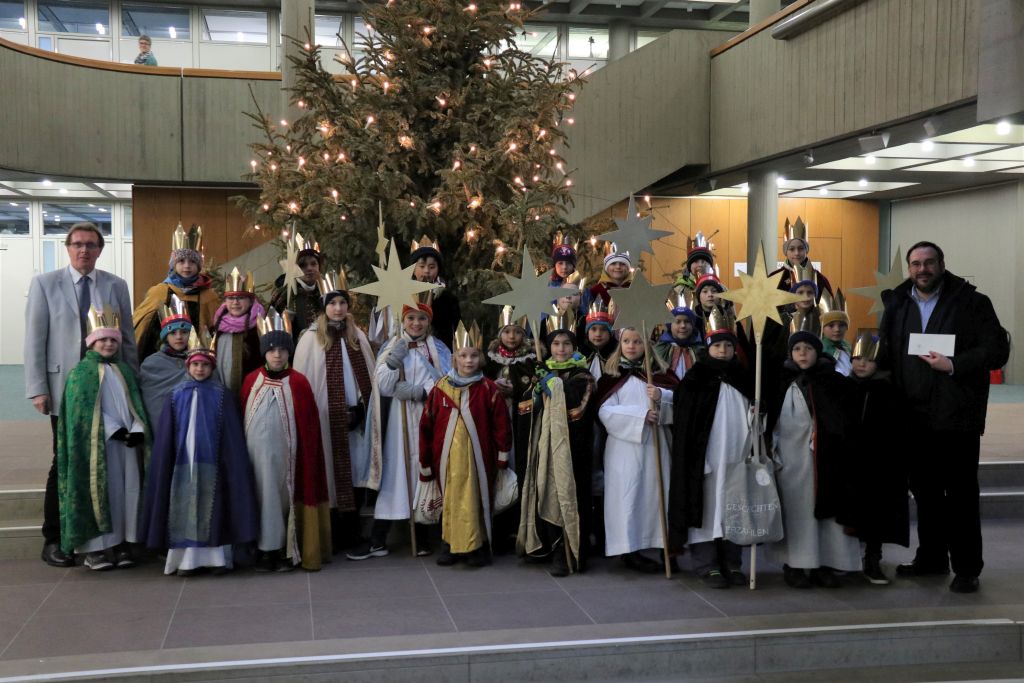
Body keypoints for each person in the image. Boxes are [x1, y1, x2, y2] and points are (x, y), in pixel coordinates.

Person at [879, 241, 1008, 594]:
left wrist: (954, 365)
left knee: (961, 495)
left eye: (929, 262)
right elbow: (887, 352)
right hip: (912, 418)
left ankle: (967, 567)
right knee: (925, 493)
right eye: (916, 263)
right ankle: (932, 559)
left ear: (941, 264)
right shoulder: (897, 303)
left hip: (956, 417)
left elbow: (997, 349)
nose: (922, 269)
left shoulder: (971, 302)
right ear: (909, 268)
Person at [25, 221, 137, 568]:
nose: (84, 250)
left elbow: (128, 337)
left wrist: (132, 384)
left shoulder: (115, 285)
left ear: (100, 249)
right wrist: (38, 388)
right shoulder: (45, 284)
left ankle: (109, 538)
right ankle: (56, 538)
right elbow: (34, 340)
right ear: (68, 248)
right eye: (77, 244)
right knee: (66, 462)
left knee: (111, 463)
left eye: (90, 244)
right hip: (65, 391)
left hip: (108, 388)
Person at [141, 329, 258, 577]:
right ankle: (186, 560)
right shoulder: (175, 396)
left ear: (212, 367)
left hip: (214, 464)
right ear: (188, 366)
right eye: (195, 364)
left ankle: (216, 558)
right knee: (183, 505)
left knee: (214, 506)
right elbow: (166, 437)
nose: (200, 369)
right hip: (183, 465)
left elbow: (232, 438)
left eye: (205, 365)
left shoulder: (222, 396)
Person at [348, 299, 450, 560]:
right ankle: (378, 538)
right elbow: (381, 385)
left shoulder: (437, 348)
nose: (416, 323)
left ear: (429, 321)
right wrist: (394, 362)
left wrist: (421, 392)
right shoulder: (393, 345)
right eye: (411, 318)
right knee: (396, 474)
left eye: (422, 318)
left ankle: (424, 534)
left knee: (424, 472)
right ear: (403, 321)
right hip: (398, 420)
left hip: (427, 417)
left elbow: (447, 383)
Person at [769, 314, 860, 589]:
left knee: (828, 512)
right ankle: (796, 564)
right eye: (797, 349)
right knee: (797, 512)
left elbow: (844, 415)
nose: (802, 354)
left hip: (827, 458)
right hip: (792, 458)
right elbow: (770, 416)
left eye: (808, 348)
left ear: (817, 351)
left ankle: (826, 563)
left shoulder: (830, 380)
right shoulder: (782, 380)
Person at [292, 273, 381, 553]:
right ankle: (332, 535)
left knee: (354, 471)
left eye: (343, 302)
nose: (339, 308)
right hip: (323, 418)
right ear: (324, 306)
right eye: (333, 303)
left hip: (356, 419)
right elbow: (305, 379)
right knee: (330, 471)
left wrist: (362, 410)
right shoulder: (310, 339)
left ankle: (353, 534)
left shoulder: (358, 337)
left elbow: (369, 376)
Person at [57, 306, 148, 571]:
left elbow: (136, 404)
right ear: (92, 342)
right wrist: (112, 429)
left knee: (125, 493)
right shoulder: (80, 375)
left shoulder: (125, 371)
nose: (108, 344)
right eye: (103, 339)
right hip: (99, 448)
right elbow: (81, 415)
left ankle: (121, 544)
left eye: (113, 339)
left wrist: (137, 428)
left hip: (127, 446)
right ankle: (94, 549)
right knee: (101, 493)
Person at [241, 309, 331, 572]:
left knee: (281, 500)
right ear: (264, 352)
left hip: (289, 462)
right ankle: (263, 550)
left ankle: (284, 549)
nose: (277, 354)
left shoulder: (299, 383)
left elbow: (310, 429)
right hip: (256, 460)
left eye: (282, 349)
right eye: (271, 349)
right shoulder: (251, 381)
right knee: (261, 498)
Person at [669, 306, 752, 588]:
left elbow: (757, 411)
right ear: (709, 347)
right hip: (706, 460)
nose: (724, 350)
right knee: (707, 509)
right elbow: (685, 423)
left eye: (729, 345)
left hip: (737, 456)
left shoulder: (744, 377)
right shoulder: (695, 379)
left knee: (735, 507)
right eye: (718, 345)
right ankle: (706, 564)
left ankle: (733, 562)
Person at [419, 322, 512, 567]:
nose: (468, 361)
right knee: (450, 500)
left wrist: (503, 454)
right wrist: (425, 461)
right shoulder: (440, 389)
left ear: (480, 358)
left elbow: (501, 423)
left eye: (473, 356)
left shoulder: (488, 389)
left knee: (475, 498)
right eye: (463, 355)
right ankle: (450, 544)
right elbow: (426, 426)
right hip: (446, 458)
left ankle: (476, 547)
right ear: (454, 358)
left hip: (478, 457)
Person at [518, 309, 595, 576]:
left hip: (574, 448)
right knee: (543, 490)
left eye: (566, 344)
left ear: (574, 347)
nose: (560, 349)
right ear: (548, 346)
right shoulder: (542, 371)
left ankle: (569, 552)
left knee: (569, 496)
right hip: (545, 445)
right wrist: (537, 392)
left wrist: (556, 386)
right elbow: (525, 409)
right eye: (555, 343)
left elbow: (577, 412)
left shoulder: (583, 375)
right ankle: (546, 545)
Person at [595, 327, 677, 573]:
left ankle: (665, 547)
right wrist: (640, 415)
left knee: (658, 494)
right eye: (627, 341)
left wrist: (661, 395)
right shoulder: (611, 376)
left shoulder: (660, 374)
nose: (632, 346)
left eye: (638, 341)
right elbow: (604, 411)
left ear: (647, 345)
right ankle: (630, 549)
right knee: (628, 496)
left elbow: (680, 401)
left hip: (656, 444)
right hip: (624, 449)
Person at [848, 332, 908, 585]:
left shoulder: (888, 391)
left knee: (875, 516)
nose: (862, 363)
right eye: (858, 358)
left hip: (879, 465)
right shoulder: (845, 387)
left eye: (869, 360)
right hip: (851, 462)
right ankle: (845, 560)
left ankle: (872, 558)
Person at [483, 306, 537, 553]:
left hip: (520, 423)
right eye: (508, 332)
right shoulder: (490, 359)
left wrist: (514, 390)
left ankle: (520, 525)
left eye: (517, 332)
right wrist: (494, 388)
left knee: (520, 470)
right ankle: (497, 526)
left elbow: (531, 386)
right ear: (500, 334)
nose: (512, 337)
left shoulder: (530, 359)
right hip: (495, 424)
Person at [132, 223, 219, 361]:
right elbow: (140, 327)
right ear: (174, 264)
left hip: (199, 363)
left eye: (192, 261)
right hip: (163, 359)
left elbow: (217, 332)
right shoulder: (160, 292)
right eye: (181, 261)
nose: (187, 266)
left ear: (198, 265)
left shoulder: (208, 296)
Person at [140, 295, 192, 431]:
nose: (179, 337)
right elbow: (152, 406)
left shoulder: (202, 361)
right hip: (164, 431)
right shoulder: (152, 364)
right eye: (173, 333)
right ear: (165, 336)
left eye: (184, 332)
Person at [212, 268, 265, 396]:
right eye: (231, 298)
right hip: (222, 395)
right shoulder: (218, 326)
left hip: (253, 393)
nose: (235, 302)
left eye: (241, 298)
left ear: (251, 300)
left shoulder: (260, 326)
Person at [269, 231, 324, 341]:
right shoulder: (284, 295)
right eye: (303, 265)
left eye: (313, 264)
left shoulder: (326, 292)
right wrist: (287, 321)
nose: (309, 268)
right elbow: (273, 330)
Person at [410, 235, 461, 350]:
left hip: (439, 349)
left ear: (438, 268)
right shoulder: (405, 294)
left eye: (431, 267)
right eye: (422, 266)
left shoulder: (447, 298)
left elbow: (454, 329)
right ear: (413, 269)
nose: (426, 271)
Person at [769, 217, 833, 298]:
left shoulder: (820, 279)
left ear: (806, 251)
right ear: (786, 252)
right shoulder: (773, 278)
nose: (796, 253)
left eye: (801, 248)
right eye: (792, 249)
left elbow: (830, 308)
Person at [654, 289, 705, 380]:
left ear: (693, 325)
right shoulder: (660, 350)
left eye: (687, 322)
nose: (683, 326)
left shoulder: (701, 351)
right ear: (670, 325)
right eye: (677, 322)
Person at [580, 249, 631, 314]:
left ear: (628, 268)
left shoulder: (635, 289)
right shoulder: (596, 291)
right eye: (613, 263)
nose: (618, 267)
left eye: (623, 264)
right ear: (606, 268)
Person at [819, 289, 852, 376]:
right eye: (831, 326)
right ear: (822, 328)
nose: (837, 329)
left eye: (841, 325)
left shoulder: (848, 347)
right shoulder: (820, 349)